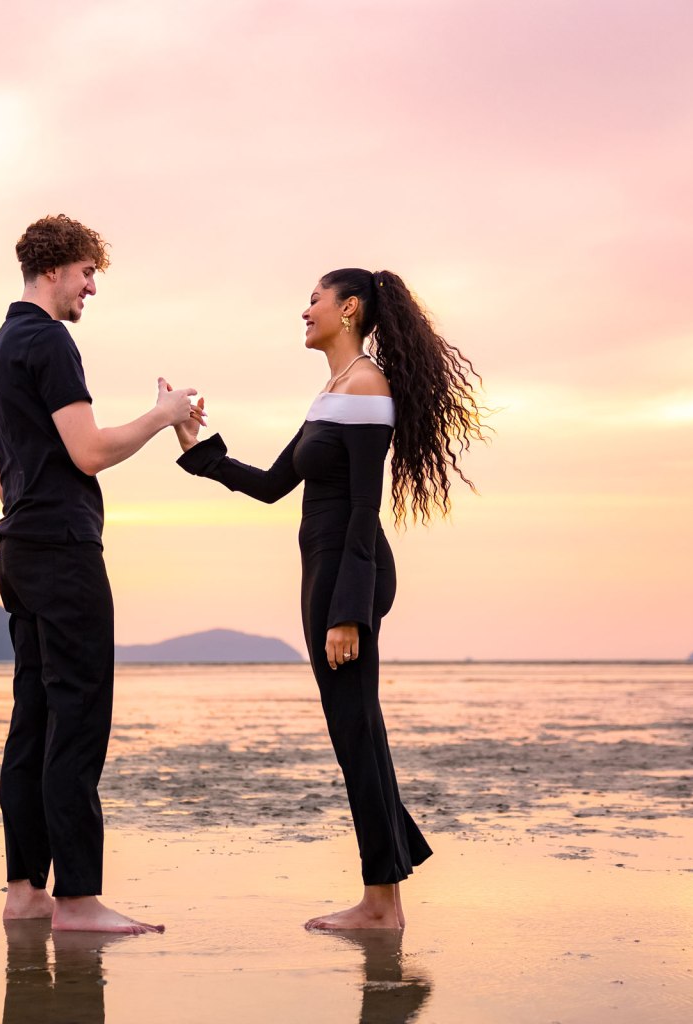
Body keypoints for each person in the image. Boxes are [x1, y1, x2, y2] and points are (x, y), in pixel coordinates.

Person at [173, 268, 484, 930]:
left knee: (356, 736)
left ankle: (381, 904)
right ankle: (389, 884)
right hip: (326, 572)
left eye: (314, 299)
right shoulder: (333, 394)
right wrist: (196, 449)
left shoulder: (367, 388)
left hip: (349, 574)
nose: (304, 309)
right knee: (359, 734)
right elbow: (269, 485)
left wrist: (348, 612)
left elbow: (364, 509)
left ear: (349, 310)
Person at [0, 214, 195, 934]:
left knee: (33, 718)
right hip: (63, 550)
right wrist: (163, 416)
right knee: (79, 717)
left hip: (18, 548)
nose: (91, 289)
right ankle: (78, 900)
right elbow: (90, 452)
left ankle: (23, 893)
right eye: (86, 274)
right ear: (54, 271)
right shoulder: (49, 341)